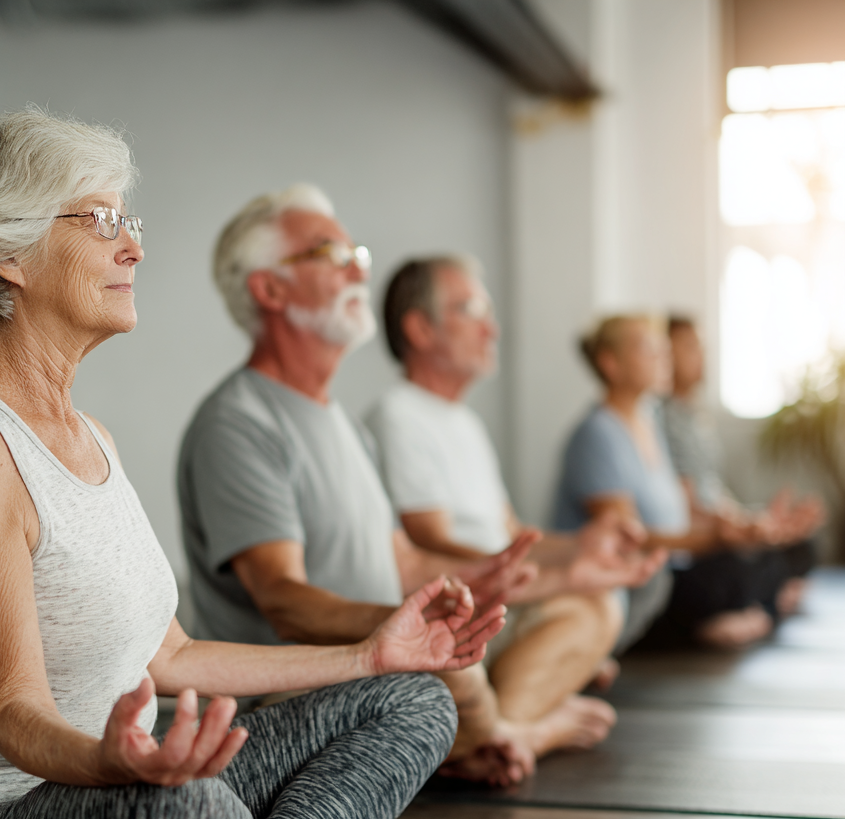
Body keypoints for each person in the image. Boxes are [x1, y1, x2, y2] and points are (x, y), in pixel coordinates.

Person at [0, 111, 504, 819]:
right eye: (103, 221)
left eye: (130, 223)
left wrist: (370, 652)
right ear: (6, 251)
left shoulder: (94, 437)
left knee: (413, 699)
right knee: (184, 814)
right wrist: (117, 766)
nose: (133, 250)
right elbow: (13, 714)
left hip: (108, 804)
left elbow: (176, 654)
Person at [178, 185, 625, 785]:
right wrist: (403, 631)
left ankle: (490, 736)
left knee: (570, 620)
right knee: (452, 679)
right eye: (331, 255)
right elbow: (284, 601)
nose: (358, 268)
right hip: (292, 696)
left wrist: (480, 578)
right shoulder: (238, 424)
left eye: (357, 254)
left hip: (379, 660)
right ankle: (518, 735)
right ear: (270, 289)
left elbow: (405, 558)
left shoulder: (340, 422)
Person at [365, 256, 666, 741]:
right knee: (596, 609)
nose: (492, 329)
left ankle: (504, 721)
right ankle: (511, 733)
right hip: (458, 608)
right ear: (420, 328)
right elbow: (432, 547)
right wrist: (552, 577)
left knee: (600, 595)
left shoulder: (463, 422)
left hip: (497, 595)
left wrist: (580, 544)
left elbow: (510, 534)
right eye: (472, 310)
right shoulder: (398, 416)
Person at [554, 314, 789, 648]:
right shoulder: (597, 434)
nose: (662, 358)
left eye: (663, 350)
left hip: (675, 564)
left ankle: (734, 614)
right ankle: (715, 620)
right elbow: (629, 538)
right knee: (715, 577)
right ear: (610, 363)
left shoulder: (649, 423)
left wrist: (741, 529)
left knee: (765, 558)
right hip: (642, 574)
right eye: (648, 349)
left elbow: (682, 512)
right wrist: (716, 540)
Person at [662, 314, 822, 619]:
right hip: (699, 537)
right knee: (738, 569)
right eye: (689, 347)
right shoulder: (663, 420)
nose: (701, 357)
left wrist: (758, 520)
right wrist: (741, 528)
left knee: (804, 546)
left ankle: (768, 596)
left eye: (701, 347)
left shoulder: (697, 417)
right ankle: (769, 600)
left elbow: (713, 489)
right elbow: (687, 505)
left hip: (722, 522)